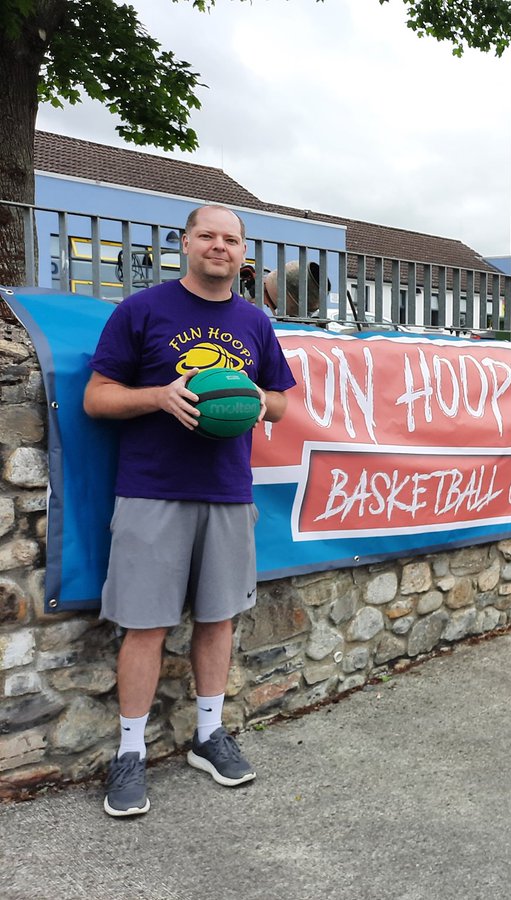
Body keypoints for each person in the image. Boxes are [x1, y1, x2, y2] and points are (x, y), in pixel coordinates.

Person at [84, 205, 297, 817]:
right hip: (152, 489)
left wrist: (259, 398)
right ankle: (129, 753)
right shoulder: (142, 311)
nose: (219, 246)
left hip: (228, 491)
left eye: (231, 239)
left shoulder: (254, 322)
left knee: (218, 618)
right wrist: (158, 395)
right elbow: (97, 398)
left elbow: (279, 403)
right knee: (145, 624)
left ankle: (208, 735)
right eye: (207, 235)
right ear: (185, 243)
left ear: (242, 252)